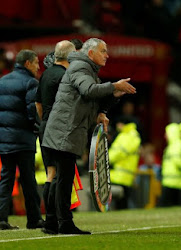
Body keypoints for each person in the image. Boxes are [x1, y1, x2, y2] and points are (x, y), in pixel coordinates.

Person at [42, 38, 136, 234]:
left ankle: (52, 223)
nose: (107, 55)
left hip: (66, 130)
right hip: (64, 131)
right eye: (103, 51)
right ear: (91, 53)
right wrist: (114, 86)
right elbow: (88, 90)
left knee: (61, 177)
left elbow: (91, 100)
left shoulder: (86, 70)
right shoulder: (80, 68)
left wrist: (110, 100)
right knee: (64, 178)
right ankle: (64, 223)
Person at [35, 40, 76, 234]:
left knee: (51, 174)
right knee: (61, 175)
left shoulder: (46, 74)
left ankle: (50, 221)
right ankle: (61, 220)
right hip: (59, 128)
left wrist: (45, 121)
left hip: (44, 127)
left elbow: (38, 104)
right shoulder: (65, 76)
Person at [0, 49, 44, 230]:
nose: (38, 67)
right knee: (28, 181)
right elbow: (32, 112)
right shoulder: (30, 82)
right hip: (23, 140)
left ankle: (1, 219)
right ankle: (34, 220)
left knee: (6, 179)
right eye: (36, 63)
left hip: (4, 140)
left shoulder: (1, 81)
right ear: (27, 63)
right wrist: (37, 130)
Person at [109, 118, 141, 209]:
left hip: (121, 174)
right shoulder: (128, 135)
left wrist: (106, 160)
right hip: (122, 174)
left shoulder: (129, 135)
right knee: (121, 202)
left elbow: (120, 152)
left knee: (121, 203)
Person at [160, 123, 181, 207]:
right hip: (172, 181)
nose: (165, 136)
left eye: (166, 133)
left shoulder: (175, 146)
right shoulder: (174, 145)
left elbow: (178, 162)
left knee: (165, 205)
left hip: (173, 181)